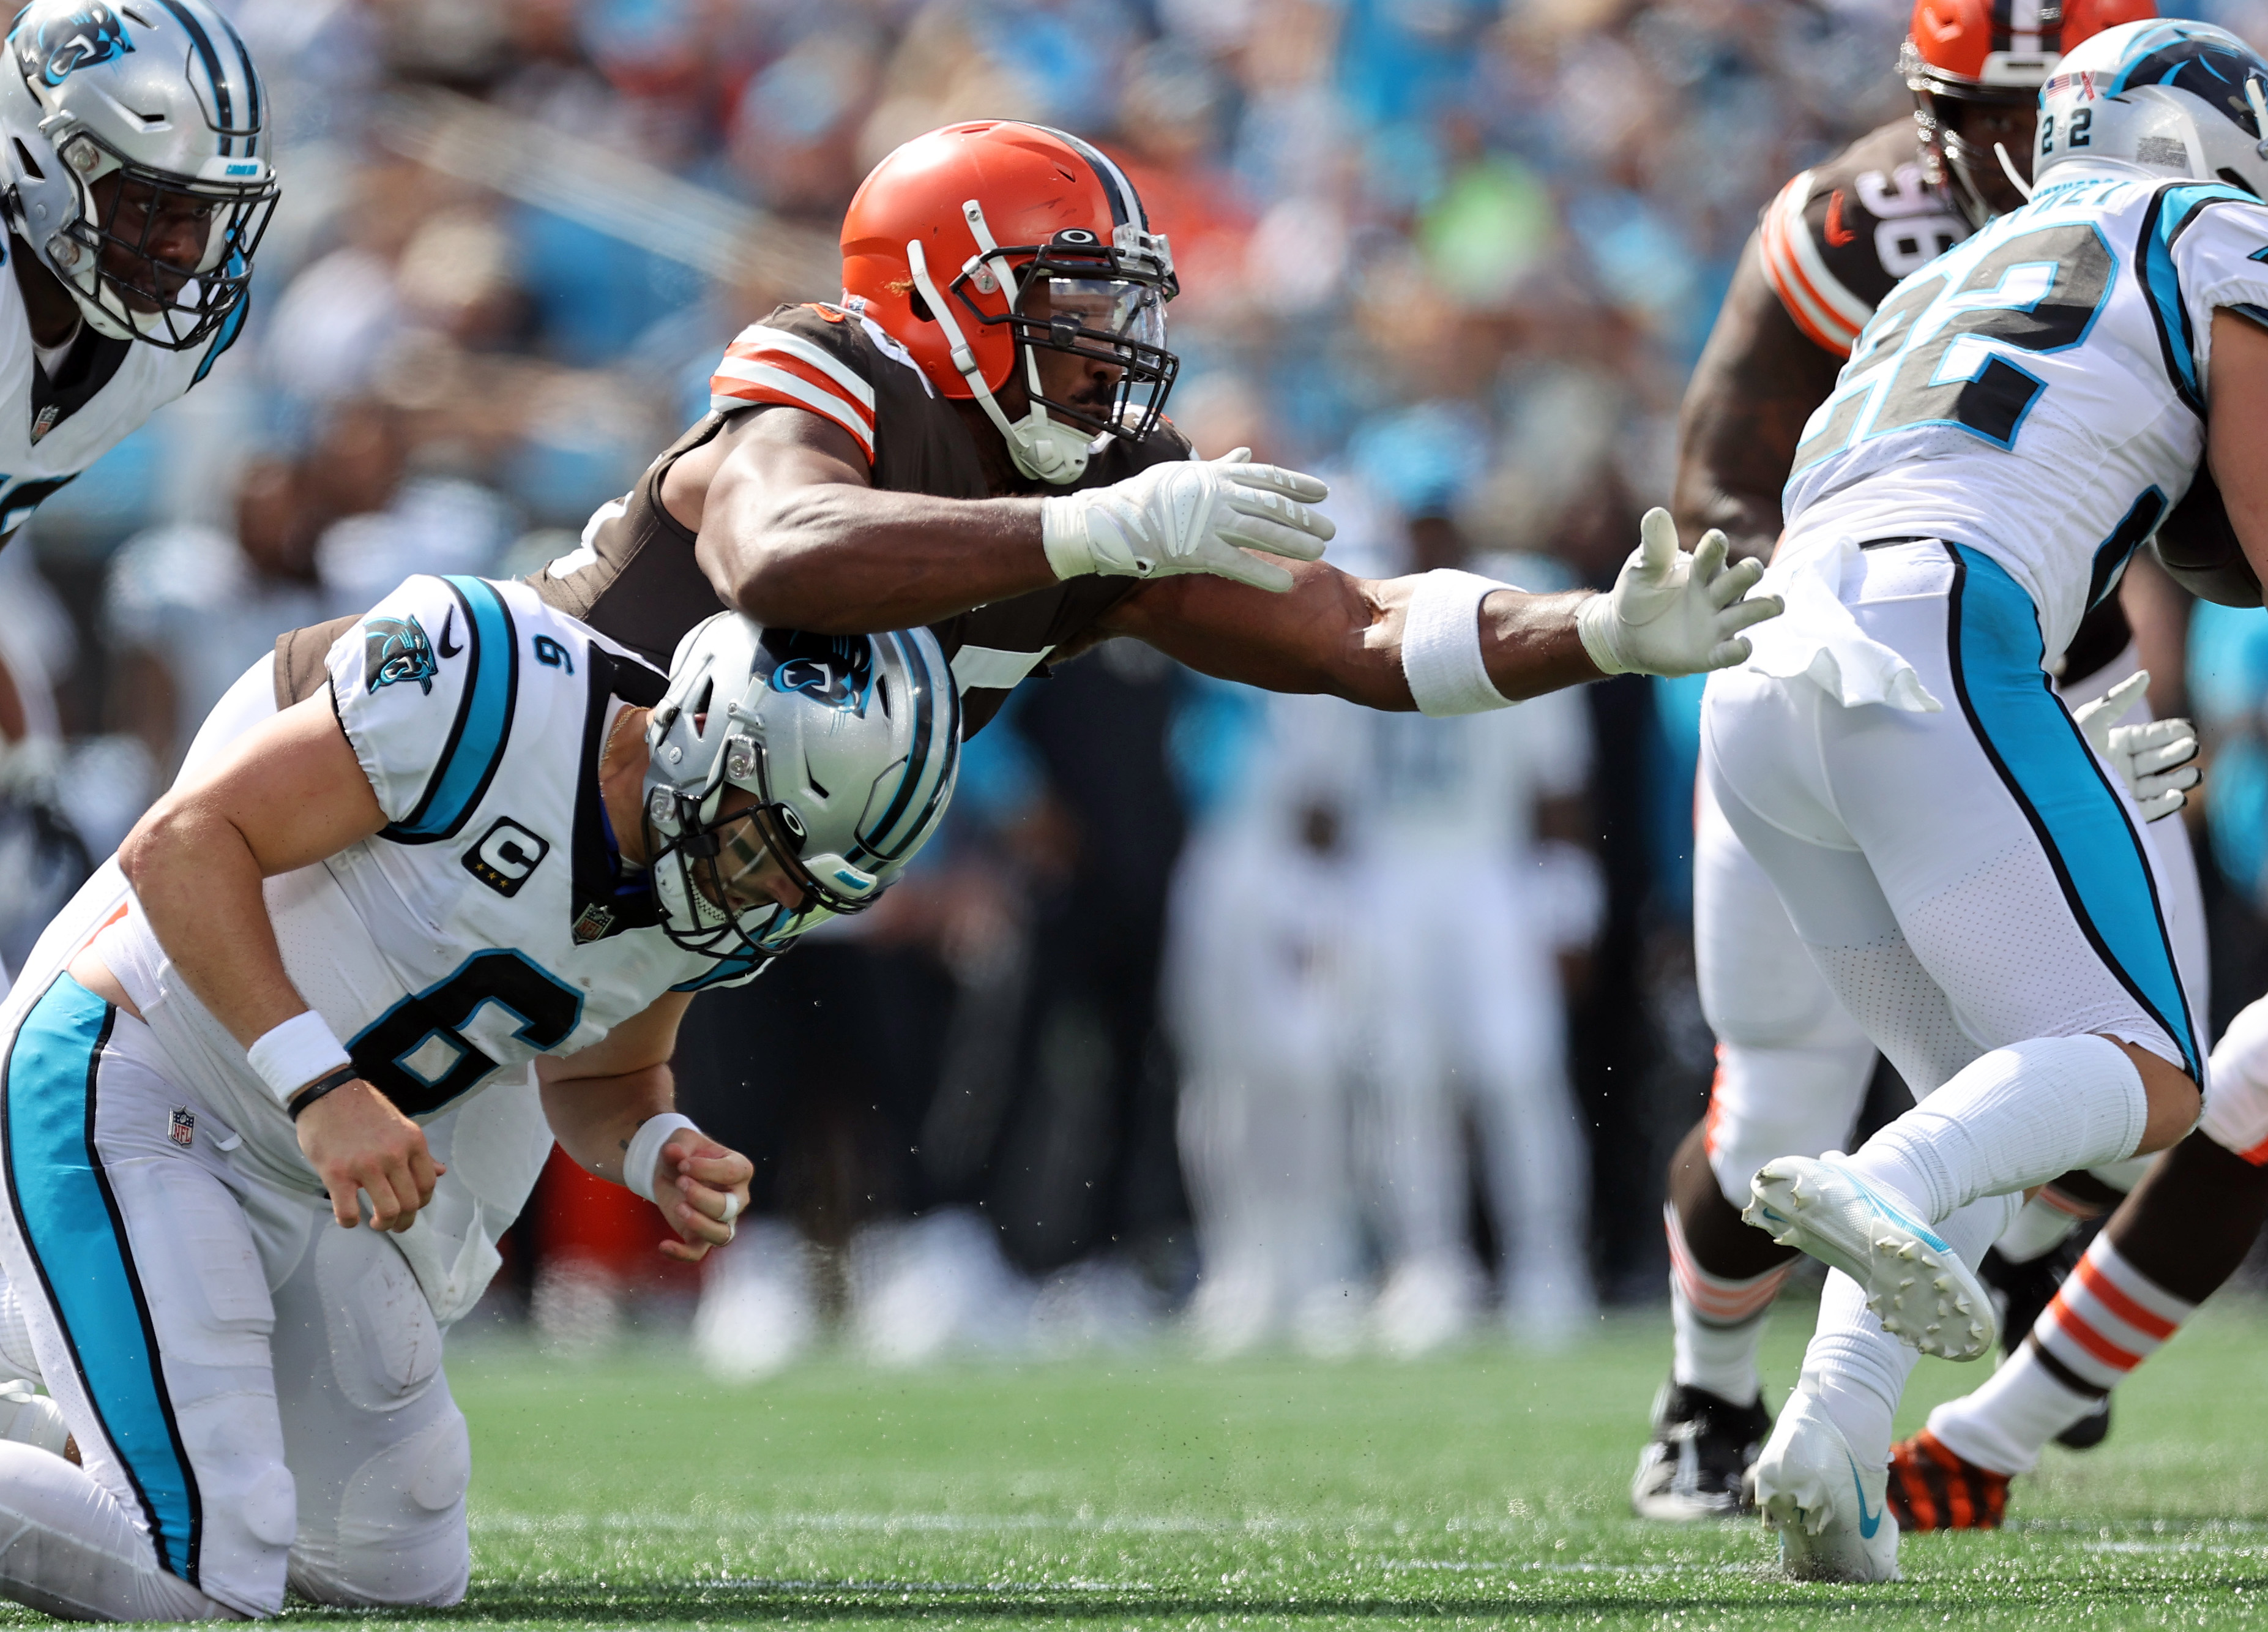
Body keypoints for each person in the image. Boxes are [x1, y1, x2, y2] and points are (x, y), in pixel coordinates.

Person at [0, 574, 960, 1620]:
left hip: (309, 1175)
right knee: (197, 1571)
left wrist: (655, 1146)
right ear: (702, 729)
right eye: (765, 851)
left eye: (810, 890)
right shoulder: (490, 683)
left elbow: (602, 1073)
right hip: (138, 1075)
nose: (772, 898)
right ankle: (148, 1463)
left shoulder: (716, 898)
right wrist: (319, 1083)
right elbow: (180, 846)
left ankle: (100, 1435)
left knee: (389, 1553)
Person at [1701, 16, 2268, 1582]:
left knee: (1979, 1093)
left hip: (1764, 687)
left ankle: (1824, 1441)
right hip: (1933, 635)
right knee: (2147, 1068)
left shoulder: (1979, 257)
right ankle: (1876, 1182)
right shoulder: (2217, 232)